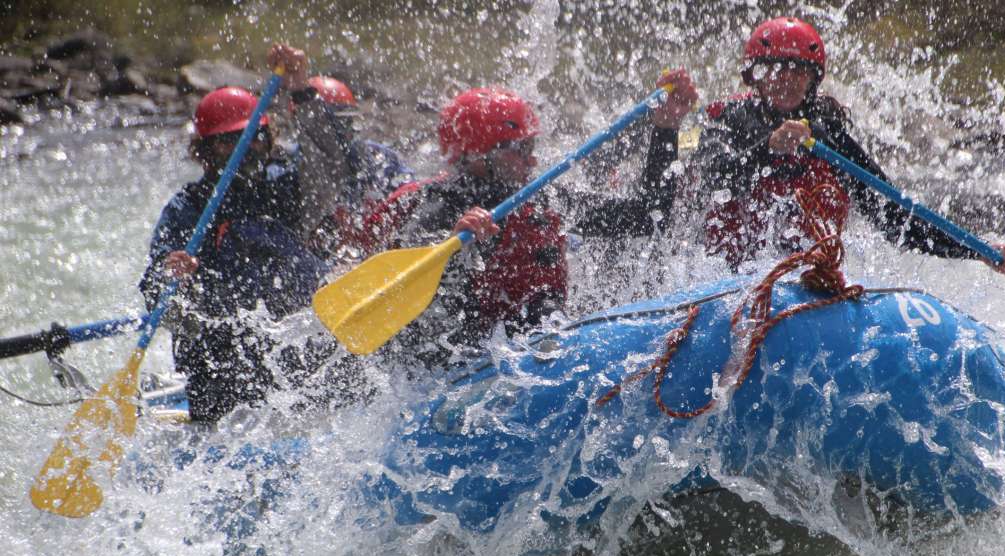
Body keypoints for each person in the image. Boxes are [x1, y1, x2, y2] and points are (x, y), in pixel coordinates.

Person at [360, 71, 697, 366]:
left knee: (545, 313)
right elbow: (405, 282)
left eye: (531, 146)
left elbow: (648, 216)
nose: (532, 160)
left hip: (535, 343)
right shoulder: (440, 204)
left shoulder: (542, 199)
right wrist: (453, 243)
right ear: (477, 156)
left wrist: (665, 130)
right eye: (518, 150)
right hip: (456, 358)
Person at [687, 17, 1005, 274]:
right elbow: (714, 178)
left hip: (808, 281)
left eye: (797, 71)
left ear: (812, 79)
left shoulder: (827, 132)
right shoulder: (727, 121)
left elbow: (894, 217)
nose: (786, 79)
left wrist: (975, 251)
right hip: (730, 278)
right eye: (775, 69)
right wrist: (768, 149)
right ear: (755, 77)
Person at [139, 44, 347, 423]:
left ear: (269, 136)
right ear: (205, 150)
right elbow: (157, 297)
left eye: (253, 136)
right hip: (226, 376)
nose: (246, 148)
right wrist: (173, 277)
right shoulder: (189, 209)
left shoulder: (290, 189)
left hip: (301, 358)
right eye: (229, 142)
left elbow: (333, 168)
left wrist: (301, 89)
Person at [285, 74, 415, 259]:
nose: (339, 134)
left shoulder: (379, 159)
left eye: (346, 123)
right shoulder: (291, 169)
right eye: (332, 125)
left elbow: (411, 196)